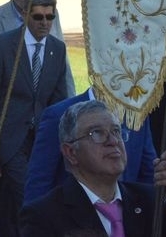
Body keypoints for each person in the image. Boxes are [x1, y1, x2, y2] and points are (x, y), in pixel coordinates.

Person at [18, 99, 166, 235]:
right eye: (96, 133)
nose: (112, 141)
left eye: (116, 131)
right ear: (71, 152)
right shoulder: (44, 217)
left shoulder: (151, 201)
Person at [0, 0, 71, 236]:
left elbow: (59, 100)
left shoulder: (57, 49)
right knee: (27, 197)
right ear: (26, 15)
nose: (45, 23)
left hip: (41, 139)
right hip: (8, 140)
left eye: (50, 17)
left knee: (9, 207)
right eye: (39, 17)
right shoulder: (3, 46)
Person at [23, 87, 157, 206]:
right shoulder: (57, 115)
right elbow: (39, 183)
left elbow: (149, 175)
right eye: (97, 133)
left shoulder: (136, 116)